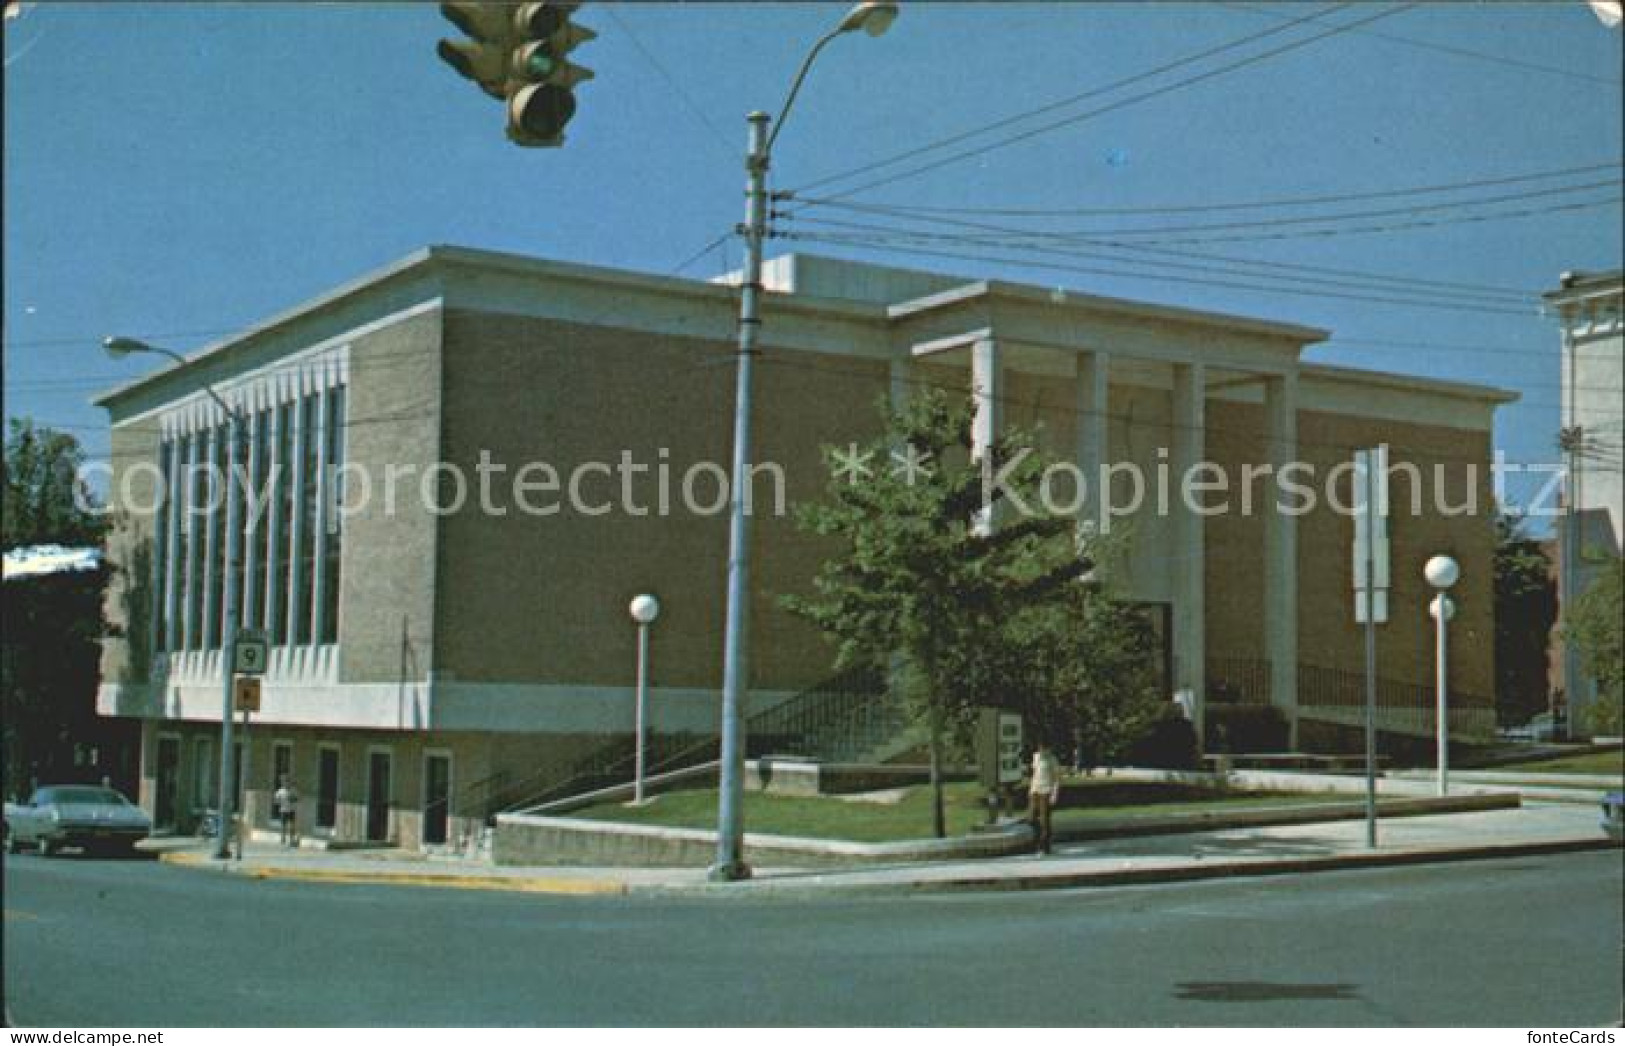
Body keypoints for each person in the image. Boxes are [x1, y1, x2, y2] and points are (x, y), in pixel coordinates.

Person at [1029, 741, 1061, 855]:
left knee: (1044, 820)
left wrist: (1054, 794)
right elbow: (1034, 773)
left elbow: (1057, 779)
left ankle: (1045, 846)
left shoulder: (1053, 760)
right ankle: (1036, 842)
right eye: (1040, 748)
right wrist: (1031, 789)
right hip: (1035, 790)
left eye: (1044, 749)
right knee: (1032, 818)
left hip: (1046, 791)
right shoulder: (1036, 757)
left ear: (1049, 749)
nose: (1042, 751)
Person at [273, 775, 299, 847]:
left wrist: (293, 798)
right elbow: (276, 801)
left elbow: (297, 798)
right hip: (283, 810)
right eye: (284, 782)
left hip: (291, 810)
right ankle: (283, 838)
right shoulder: (280, 791)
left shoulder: (293, 790)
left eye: (287, 781)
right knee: (283, 826)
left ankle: (292, 839)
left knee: (292, 826)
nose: (285, 783)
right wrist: (279, 801)